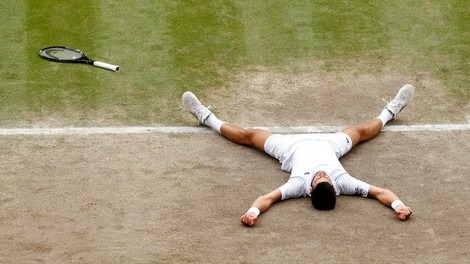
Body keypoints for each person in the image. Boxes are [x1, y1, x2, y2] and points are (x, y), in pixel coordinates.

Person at [182, 84, 414, 226]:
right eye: (326, 177)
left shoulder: (298, 185)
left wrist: (252, 213)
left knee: (249, 135)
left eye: (319, 178)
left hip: (289, 148)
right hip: (330, 145)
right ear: (334, 188)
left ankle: (206, 117)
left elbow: (267, 199)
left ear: (310, 190)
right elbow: (381, 193)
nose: (322, 174)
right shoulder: (344, 183)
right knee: (361, 132)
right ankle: (390, 111)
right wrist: (399, 205)